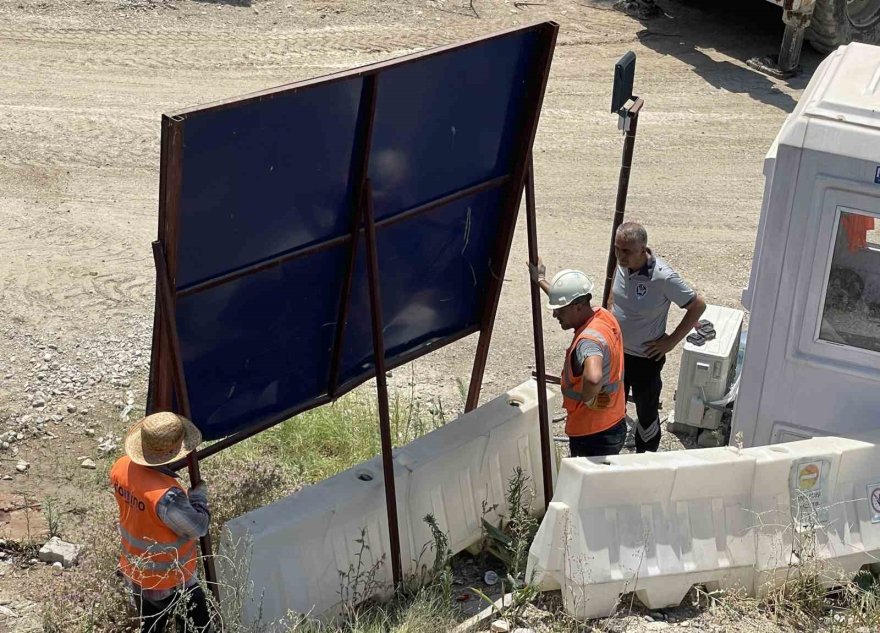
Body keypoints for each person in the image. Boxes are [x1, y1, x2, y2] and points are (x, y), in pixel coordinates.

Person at [110, 412, 214, 632]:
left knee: (150, 626)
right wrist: (198, 498)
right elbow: (199, 528)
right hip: (170, 580)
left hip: (136, 572)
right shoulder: (167, 498)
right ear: (172, 453)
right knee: (199, 628)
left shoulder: (120, 467)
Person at [610, 222, 706, 452]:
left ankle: (646, 459)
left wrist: (671, 341)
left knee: (646, 414)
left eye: (627, 251)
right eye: (617, 249)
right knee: (612, 408)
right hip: (617, 354)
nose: (620, 256)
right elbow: (616, 298)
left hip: (645, 358)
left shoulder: (663, 277)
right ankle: (612, 454)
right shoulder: (622, 265)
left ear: (643, 249)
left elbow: (697, 305)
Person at [529, 265, 627, 457]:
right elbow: (569, 302)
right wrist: (540, 280)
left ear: (578, 307)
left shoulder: (588, 342)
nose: (555, 315)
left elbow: (593, 378)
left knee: (591, 486)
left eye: (560, 311)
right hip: (614, 420)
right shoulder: (603, 316)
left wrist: (588, 398)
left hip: (592, 433)